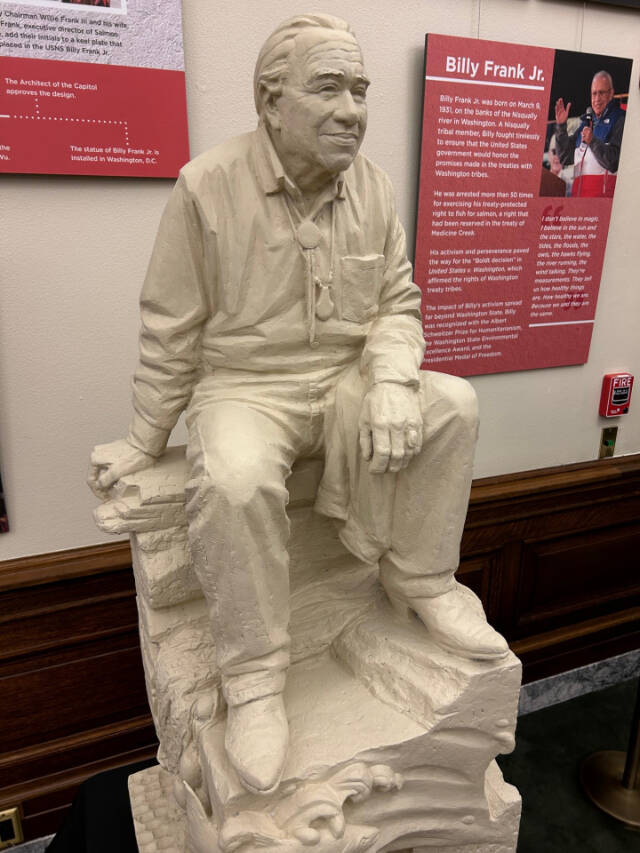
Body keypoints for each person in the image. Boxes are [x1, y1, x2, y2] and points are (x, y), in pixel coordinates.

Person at [88, 14, 508, 796]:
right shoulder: (206, 186)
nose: (352, 108)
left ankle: (424, 583)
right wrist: (145, 440)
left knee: (451, 402)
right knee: (236, 476)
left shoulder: (373, 188)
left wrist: (387, 379)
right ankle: (253, 679)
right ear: (269, 101)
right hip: (246, 386)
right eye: (328, 88)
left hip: (346, 382)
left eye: (360, 89)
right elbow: (169, 326)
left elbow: (397, 305)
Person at [554, 70, 625, 198]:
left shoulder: (620, 119)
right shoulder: (586, 123)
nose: (597, 99)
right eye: (594, 94)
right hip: (579, 203)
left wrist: (592, 141)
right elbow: (565, 157)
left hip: (603, 205)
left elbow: (614, 162)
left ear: (611, 94)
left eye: (601, 93)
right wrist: (561, 127)